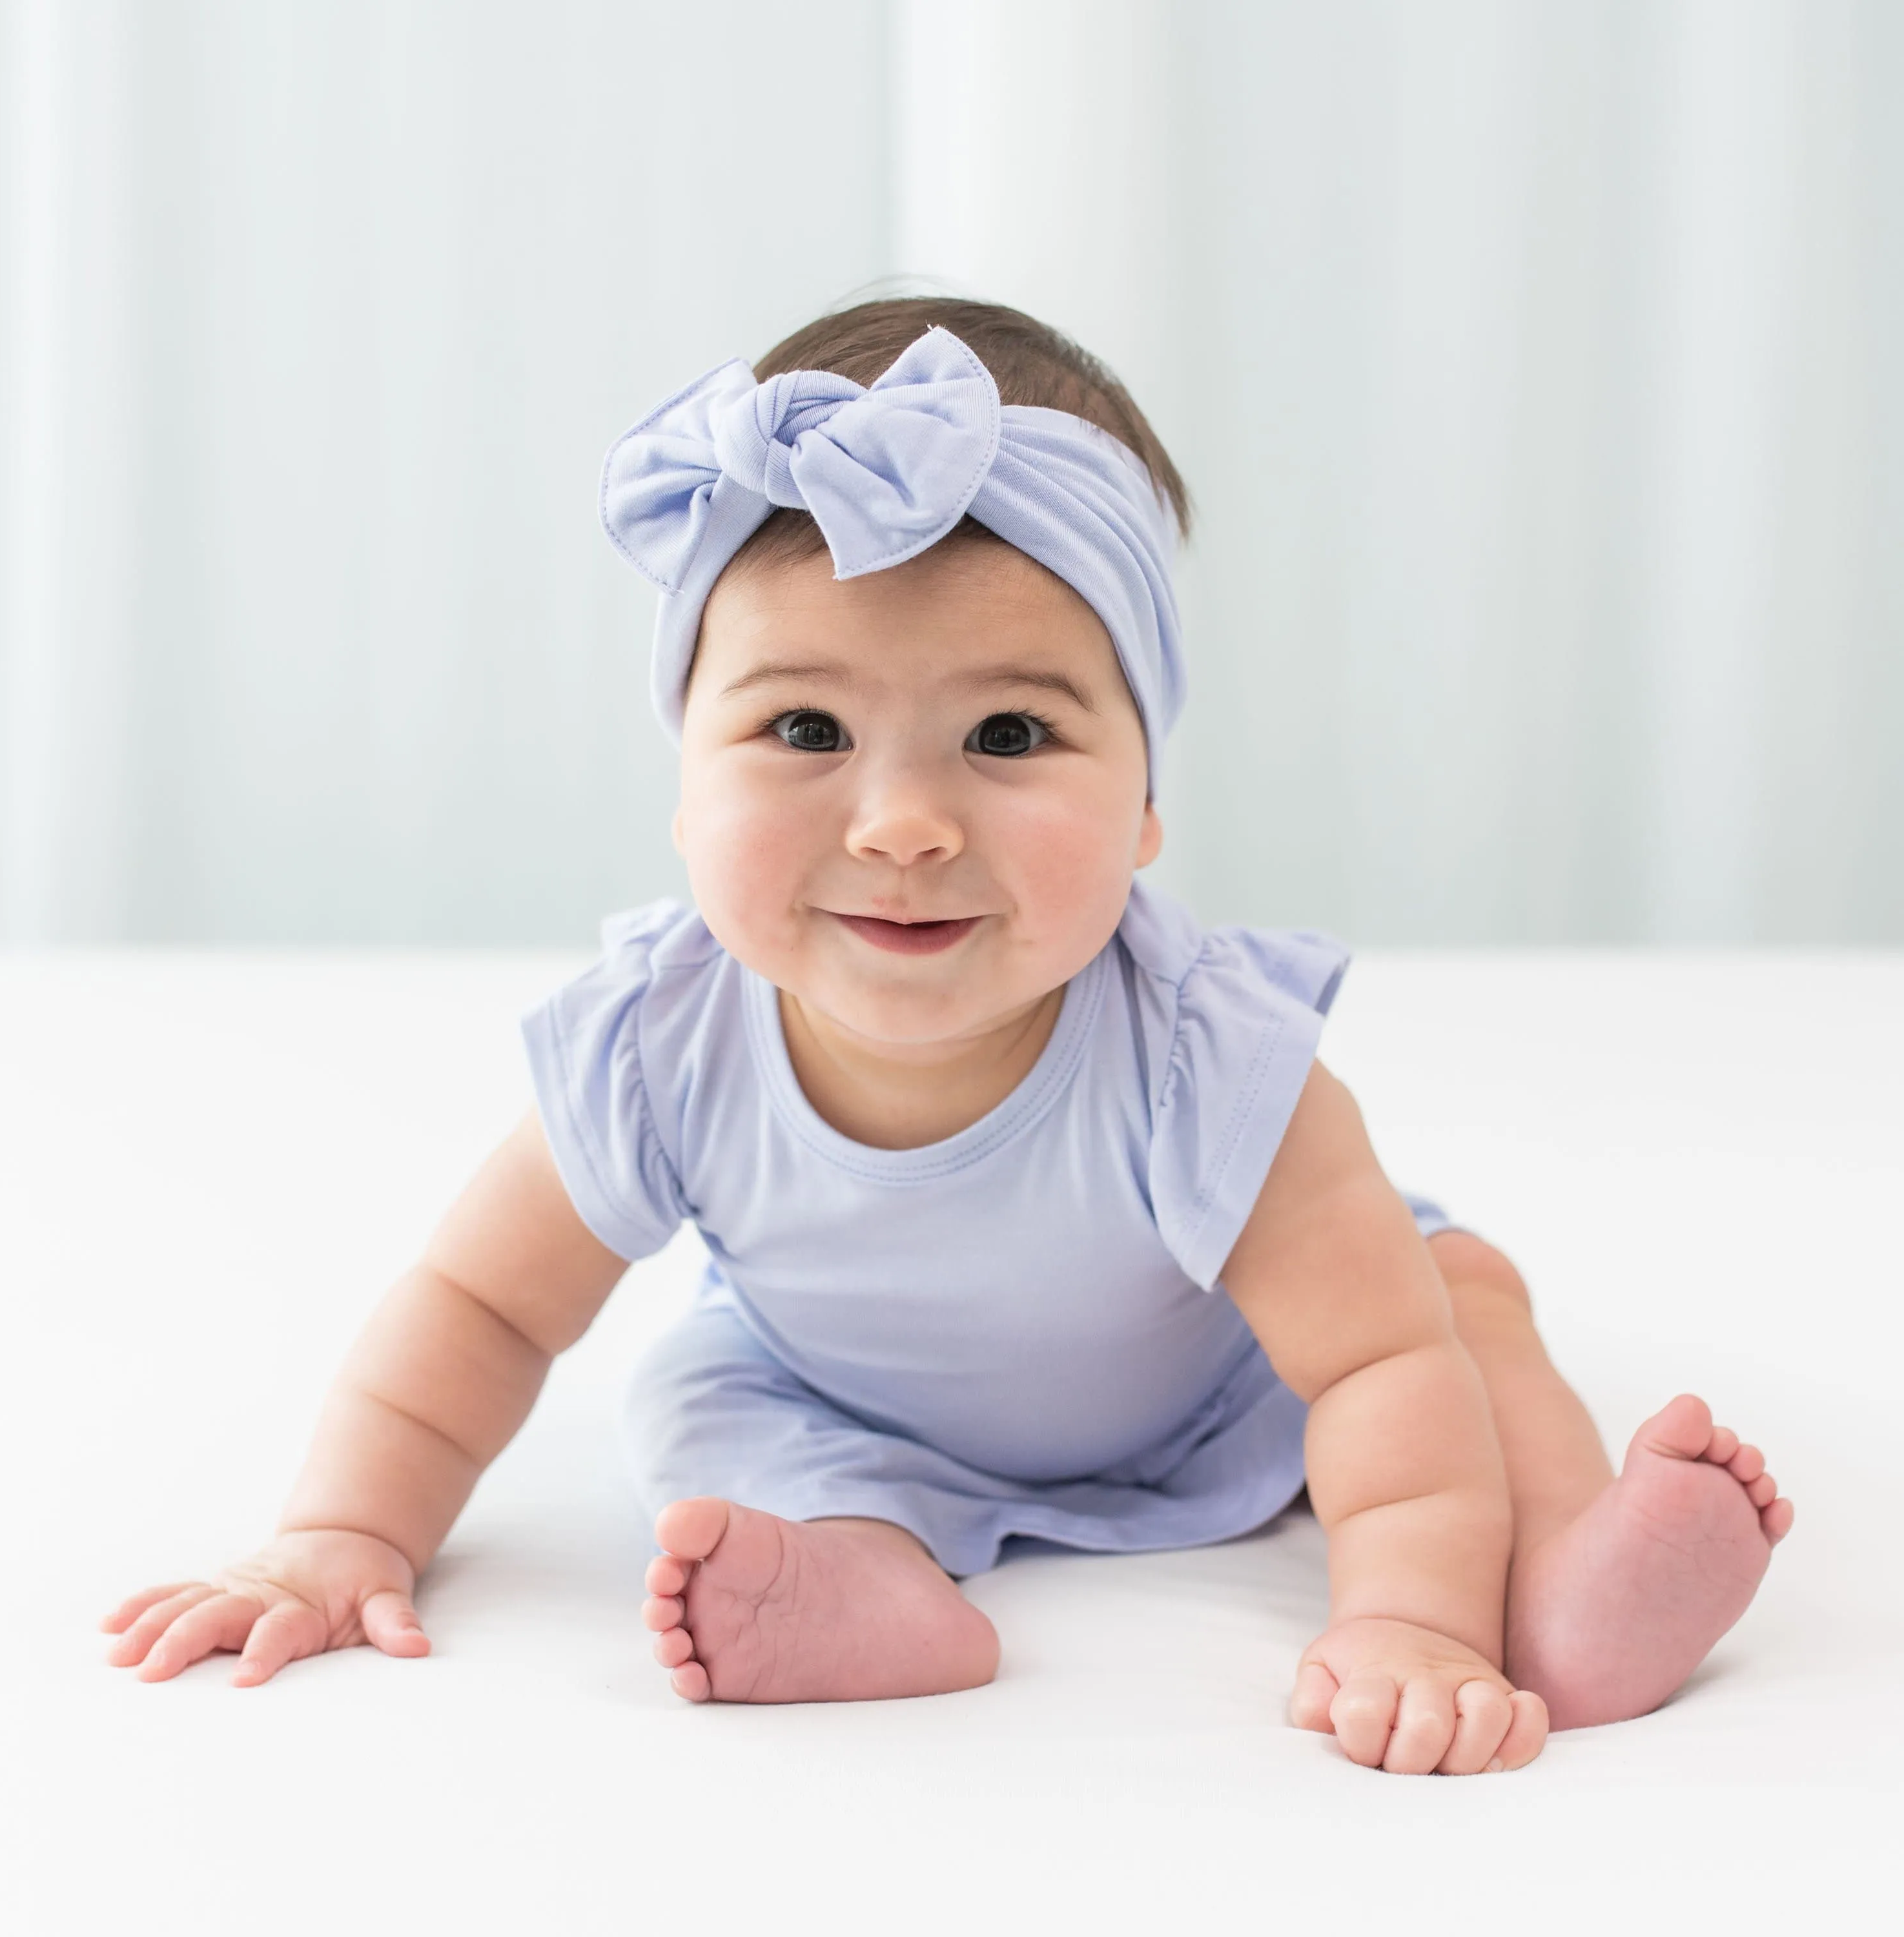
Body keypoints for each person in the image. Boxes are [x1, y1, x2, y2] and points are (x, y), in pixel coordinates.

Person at [101, 298, 1791, 1774]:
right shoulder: (663, 1045)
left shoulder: (1206, 1059)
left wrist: (1413, 1622)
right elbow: (474, 1311)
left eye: (1006, 731)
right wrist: (337, 1536)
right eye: (807, 726)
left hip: (1231, 1389)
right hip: (847, 1400)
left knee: (1459, 1305)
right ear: (682, 780)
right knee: (701, 1408)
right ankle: (867, 1583)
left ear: (1146, 803)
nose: (904, 822)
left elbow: (1368, 1369)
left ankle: (1567, 1582)